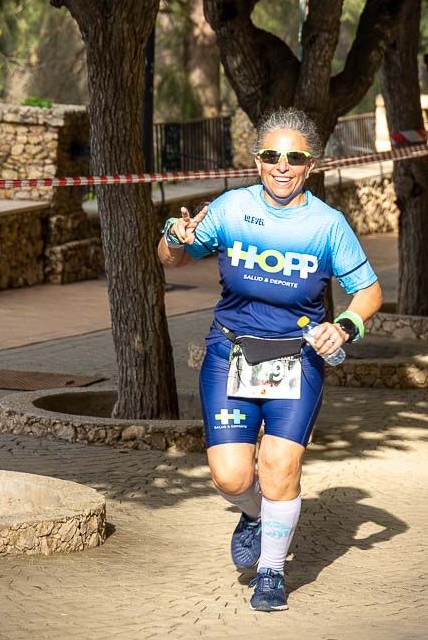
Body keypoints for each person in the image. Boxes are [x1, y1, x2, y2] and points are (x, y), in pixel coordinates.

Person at [157, 108, 383, 611]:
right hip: (231, 352)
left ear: (311, 164)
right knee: (232, 477)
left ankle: (272, 574)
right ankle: (256, 514)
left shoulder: (328, 225)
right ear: (257, 161)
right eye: (272, 156)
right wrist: (174, 236)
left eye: (295, 157)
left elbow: (367, 291)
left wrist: (344, 325)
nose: (283, 166)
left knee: (280, 465)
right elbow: (172, 257)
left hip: (297, 358)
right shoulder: (232, 209)